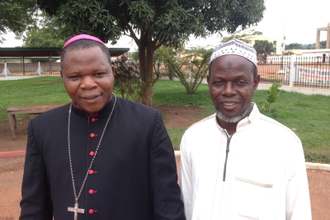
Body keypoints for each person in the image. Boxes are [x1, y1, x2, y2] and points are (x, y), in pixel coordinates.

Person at [20, 34, 185, 220]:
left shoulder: (148, 122)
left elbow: (168, 203)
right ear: (62, 77)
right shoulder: (42, 128)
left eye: (99, 74)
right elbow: (33, 208)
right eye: (75, 76)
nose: (88, 84)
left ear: (112, 72)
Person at [180, 39, 311, 220]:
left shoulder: (285, 144)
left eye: (240, 82)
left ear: (255, 83)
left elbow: (298, 213)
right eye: (219, 82)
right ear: (209, 82)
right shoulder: (193, 138)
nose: (228, 91)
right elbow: (187, 204)